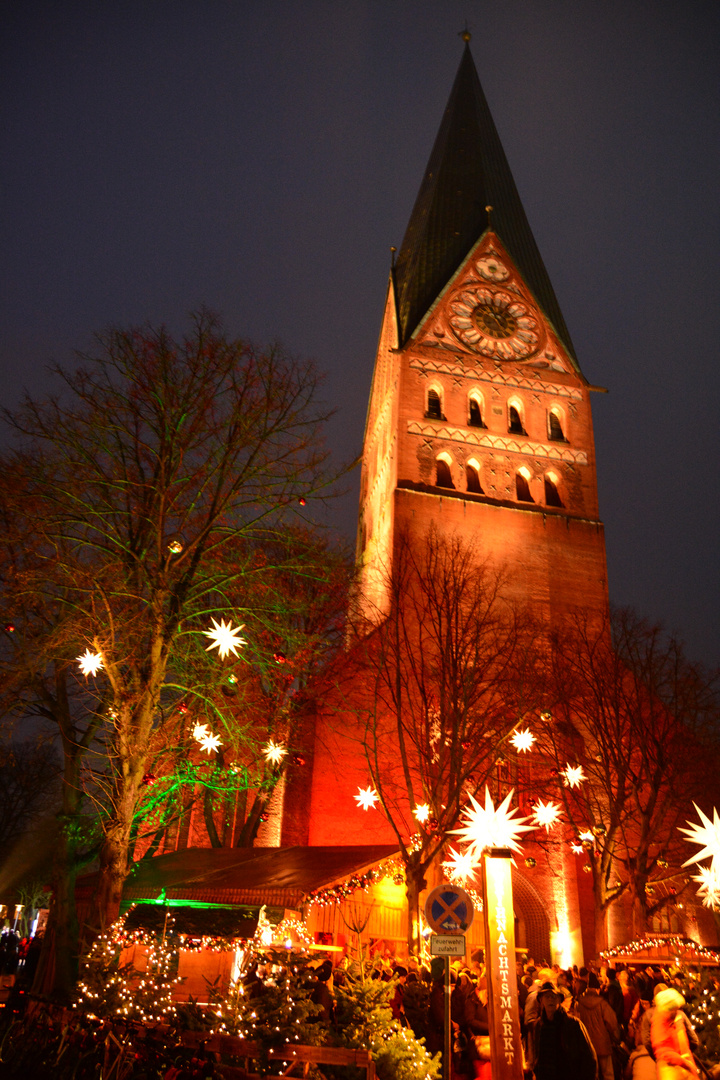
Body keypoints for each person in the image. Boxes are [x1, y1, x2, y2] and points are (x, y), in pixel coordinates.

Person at [531, 981, 598, 1080]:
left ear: (559, 1000)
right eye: (547, 996)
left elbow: (589, 1057)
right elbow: (537, 1055)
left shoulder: (573, 1024)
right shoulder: (538, 1025)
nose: (550, 1000)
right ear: (541, 1000)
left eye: (554, 997)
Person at [577, 971, 621, 1080]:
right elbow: (612, 1023)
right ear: (597, 989)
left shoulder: (578, 1003)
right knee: (608, 1074)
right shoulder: (603, 1004)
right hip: (603, 1044)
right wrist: (616, 1039)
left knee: (591, 1074)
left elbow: (576, 1022)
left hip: (586, 1045)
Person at [650, 988, 699, 1079]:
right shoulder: (659, 1023)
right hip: (671, 1068)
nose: (676, 1011)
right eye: (674, 1009)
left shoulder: (675, 1018)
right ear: (667, 1009)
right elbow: (663, 1050)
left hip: (684, 1064)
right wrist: (684, 1062)